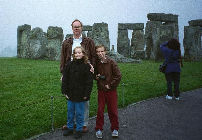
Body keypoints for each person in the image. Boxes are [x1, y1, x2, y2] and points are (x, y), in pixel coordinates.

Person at [60, 19, 96, 132]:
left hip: (84, 71)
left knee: (83, 99)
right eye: (74, 27)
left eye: (78, 26)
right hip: (70, 72)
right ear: (72, 28)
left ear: (82, 28)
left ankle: (83, 123)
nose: (76, 28)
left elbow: (94, 56)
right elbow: (62, 58)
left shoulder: (88, 41)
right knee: (71, 98)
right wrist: (63, 73)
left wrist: (92, 67)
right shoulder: (66, 42)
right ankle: (72, 123)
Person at [61, 46, 93, 139]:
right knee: (70, 112)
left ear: (83, 54)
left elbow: (89, 82)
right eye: (76, 53)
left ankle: (79, 130)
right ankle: (70, 128)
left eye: (79, 52)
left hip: (81, 95)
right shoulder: (69, 65)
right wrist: (64, 91)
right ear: (73, 55)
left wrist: (86, 94)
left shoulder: (87, 66)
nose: (78, 54)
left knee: (79, 113)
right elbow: (65, 79)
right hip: (70, 93)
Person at [94, 45, 122, 139]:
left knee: (112, 110)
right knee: (100, 110)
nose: (100, 53)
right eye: (98, 52)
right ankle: (98, 129)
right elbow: (95, 75)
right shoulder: (97, 63)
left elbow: (118, 76)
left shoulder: (111, 62)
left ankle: (115, 128)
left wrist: (110, 85)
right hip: (101, 90)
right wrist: (96, 77)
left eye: (101, 51)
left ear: (105, 52)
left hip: (111, 91)